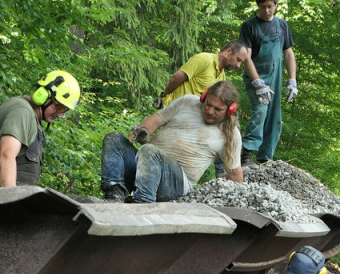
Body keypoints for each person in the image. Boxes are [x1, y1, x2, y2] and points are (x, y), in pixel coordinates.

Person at [100, 80, 243, 203]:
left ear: (230, 110)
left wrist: (239, 201)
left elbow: (234, 173)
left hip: (176, 185)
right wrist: (144, 130)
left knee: (150, 151)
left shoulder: (230, 135)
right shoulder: (187, 101)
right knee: (114, 139)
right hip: (145, 168)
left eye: (217, 109)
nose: (210, 111)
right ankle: (115, 194)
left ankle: (143, 201)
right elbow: (155, 120)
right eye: (208, 104)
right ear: (204, 97)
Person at [0, 70, 80, 188]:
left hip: (11, 191)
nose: (59, 114)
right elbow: (6, 156)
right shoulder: (22, 112)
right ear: (43, 95)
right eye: (59, 107)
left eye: (63, 111)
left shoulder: (31, 116)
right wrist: (11, 202)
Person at [239, 0, 297, 166]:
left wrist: (292, 80)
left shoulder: (281, 25)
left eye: (270, 6)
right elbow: (246, 56)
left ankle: (265, 158)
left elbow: (288, 53)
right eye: (263, 7)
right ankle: (246, 153)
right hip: (256, 76)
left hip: (276, 77)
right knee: (260, 112)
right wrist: (257, 82)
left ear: (276, 5)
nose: (267, 10)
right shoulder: (249, 26)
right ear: (258, 6)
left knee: (274, 118)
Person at [152, 41, 249, 109]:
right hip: (174, 109)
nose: (238, 65)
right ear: (228, 52)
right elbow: (176, 78)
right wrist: (164, 96)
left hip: (191, 115)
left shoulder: (222, 77)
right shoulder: (204, 59)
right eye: (238, 60)